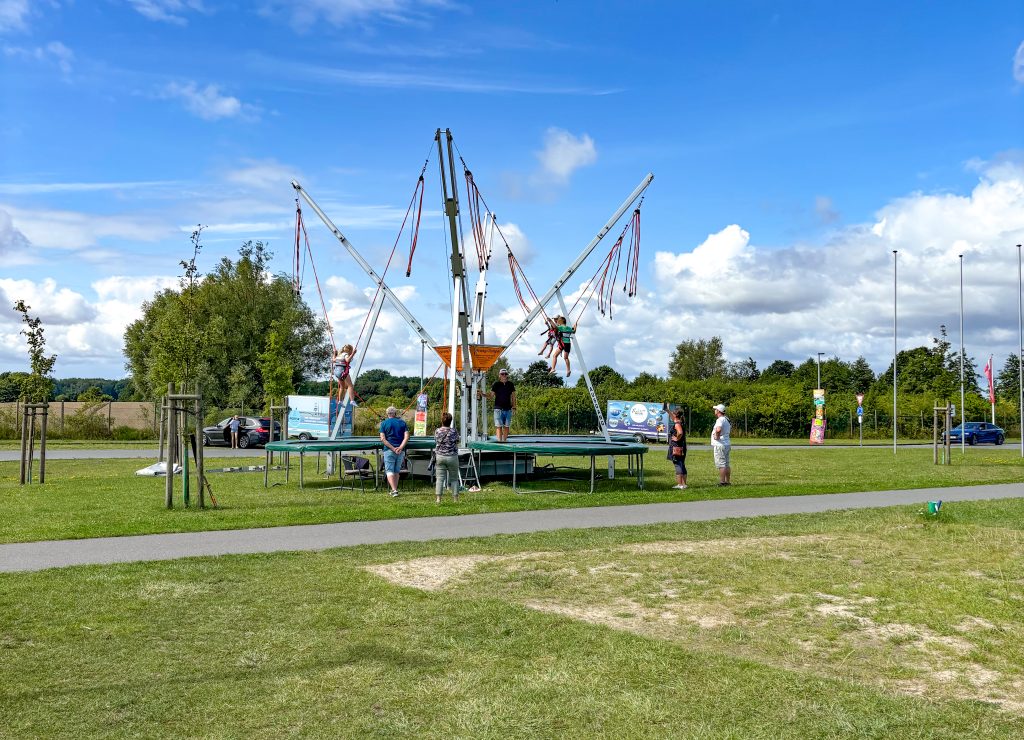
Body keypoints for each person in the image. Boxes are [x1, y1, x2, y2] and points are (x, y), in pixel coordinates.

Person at [378, 405, 409, 497]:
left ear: (387, 414)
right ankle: (394, 489)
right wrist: (400, 447)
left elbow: (383, 439)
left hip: (389, 450)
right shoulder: (402, 423)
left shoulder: (384, 424)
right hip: (400, 450)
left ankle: (394, 490)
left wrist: (392, 448)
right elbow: (406, 436)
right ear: (395, 413)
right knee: (396, 470)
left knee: (389, 470)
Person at [433, 412, 460, 504]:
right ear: (450, 421)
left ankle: (438, 499)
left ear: (442, 421)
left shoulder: (438, 431)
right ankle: (455, 499)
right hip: (452, 456)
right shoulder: (454, 431)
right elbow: (457, 441)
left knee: (440, 479)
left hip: (440, 456)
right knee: (454, 479)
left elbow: (436, 440)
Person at [484, 368, 516, 442]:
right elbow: (491, 395)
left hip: (508, 409)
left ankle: (504, 441)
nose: (504, 375)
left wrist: (514, 407)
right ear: (499, 375)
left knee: (507, 426)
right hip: (498, 409)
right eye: (502, 374)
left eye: (505, 374)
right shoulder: (496, 384)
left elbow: (513, 396)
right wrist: (483, 394)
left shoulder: (510, 384)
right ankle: (499, 441)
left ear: (507, 375)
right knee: (498, 426)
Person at [711, 403, 731, 486]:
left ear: (718, 411)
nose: (715, 411)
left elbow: (718, 429)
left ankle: (722, 482)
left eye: (716, 409)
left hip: (720, 444)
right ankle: (727, 481)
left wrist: (717, 436)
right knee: (726, 464)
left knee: (721, 464)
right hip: (726, 443)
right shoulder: (726, 419)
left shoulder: (719, 420)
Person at [667, 409, 687, 489]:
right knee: (682, 464)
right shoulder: (680, 421)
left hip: (676, 447)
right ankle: (684, 484)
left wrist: (677, 438)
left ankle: (680, 485)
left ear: (676, 415)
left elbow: (680, 432)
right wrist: (668, 411)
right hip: (682, 446)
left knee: (677, 464)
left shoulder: (677, 424)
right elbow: (673, 417)